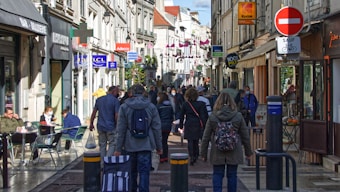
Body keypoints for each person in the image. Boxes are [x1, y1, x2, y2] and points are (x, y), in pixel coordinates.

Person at [114, 84, 163, 192]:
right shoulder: (151, 107)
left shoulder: (124, 107)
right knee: (144, 173)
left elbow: (120, 130)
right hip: (146, 145)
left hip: (129, 145)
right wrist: (159, 146)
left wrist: (118, 148)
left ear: (131, 93)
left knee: (131, 173)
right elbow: (156, 128)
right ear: (143, 93)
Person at [200, 92, 253, 192]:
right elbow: (245, 136)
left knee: (217, 174)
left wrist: (203, 153)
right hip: (234, 149)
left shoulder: (213, 116)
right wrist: (248, 152)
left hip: (217, 150)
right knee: (232, 175)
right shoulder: (238, 116)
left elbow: (205, 137)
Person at [89, 86, 120, 166]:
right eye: (117, 92)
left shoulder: (99, 100)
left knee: (102, 145)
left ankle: (102, 163)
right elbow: (117, 115)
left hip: (101, 126)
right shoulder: (115, 101)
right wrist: (117, 125)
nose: (118, 94)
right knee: (112, 143)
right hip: (111, 126)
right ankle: (108, 160)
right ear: (113, 91)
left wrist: (91, 123)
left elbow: (94, 112)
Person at [178, 87, 208, 166]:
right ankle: (196, 155)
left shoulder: (185, 105)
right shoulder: (201, 104)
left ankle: (191, 156)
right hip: (198, 124)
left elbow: (181, 116)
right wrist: (205, 125)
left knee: (190, 141)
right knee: (196, 140)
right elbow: (204, 116)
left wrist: (181, 125)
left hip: (189, 123)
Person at [156, 92, 174, 163]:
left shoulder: (159, 106)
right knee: (165, 141)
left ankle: (161, 157)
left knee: (160, 142)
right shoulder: (170, 106)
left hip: (160, 125)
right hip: (168, 126)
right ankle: (165, 156)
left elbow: (156, 116)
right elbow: (172, 116)